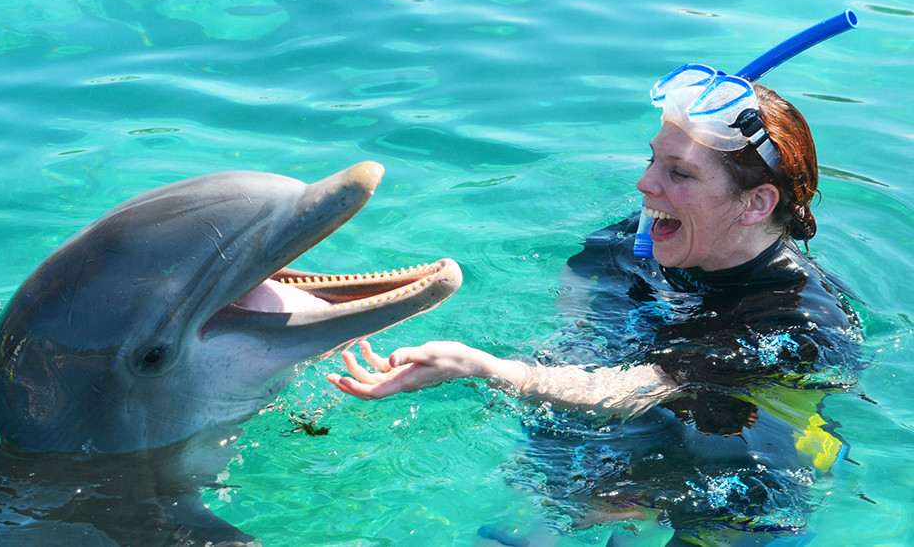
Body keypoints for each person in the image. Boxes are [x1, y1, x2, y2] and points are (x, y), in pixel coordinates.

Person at [328, 65, 864, 545]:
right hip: (647, 416)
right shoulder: (645, 237)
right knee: (540, 490)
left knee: (734, 497)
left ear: (756, 203)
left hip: (741, 462)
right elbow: (578, 304)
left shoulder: (797, 318)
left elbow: (634, 388)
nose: (645, 184)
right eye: (653, 160)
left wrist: (485, 368)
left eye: (679, 173)